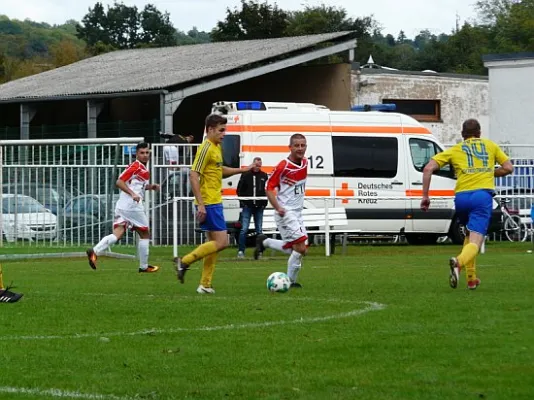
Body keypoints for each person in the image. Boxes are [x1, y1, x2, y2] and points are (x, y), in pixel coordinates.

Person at [420, 119, 514, 290]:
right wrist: (489, 172)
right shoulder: (490, 146)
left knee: (469, 235)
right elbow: (508, 168)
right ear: (479, 133)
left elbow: (427, 169)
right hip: (481, 197)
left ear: (463, 135)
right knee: (476, 241)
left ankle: (471, 279)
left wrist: (425, 196)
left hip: (461, 198)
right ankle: (459, 262)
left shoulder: (455, 149)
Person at [176, 114, 252, 294]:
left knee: (213, 243)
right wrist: (201, 204)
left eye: (225, 130)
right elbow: (194, 174)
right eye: (221, 130)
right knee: (222, 241)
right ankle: (184, 261)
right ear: (210, 130)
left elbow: (220, 171)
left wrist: (242, 170)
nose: (224, 134)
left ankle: (205, 284)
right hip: (208, 202)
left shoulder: (216, 148)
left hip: (214, 201)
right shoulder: (205, 148)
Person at [86, 142, 161, 273]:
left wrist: (151, 186)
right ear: (136, 154)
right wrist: (132, 194)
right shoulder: (136, 167)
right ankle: (144, 266)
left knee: (117, 234)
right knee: (145, 234)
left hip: (122, 205)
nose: (145, 155)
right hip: (132, 207)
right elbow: (119, 182)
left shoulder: (142, 169)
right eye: (142, 153)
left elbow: (136, 185)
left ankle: (95, 251)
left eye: (147, 152)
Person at [254, 133, 308, 289]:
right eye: (296, 145)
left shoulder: (305, 162)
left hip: (297, 213)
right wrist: (278, 207)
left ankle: (265, 242)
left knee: (297, 248)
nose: (300, 148)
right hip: (286, 212)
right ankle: (290, 282)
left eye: (302, 145)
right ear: (290, 147)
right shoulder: (283, 166)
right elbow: (268, 188)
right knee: (300, 248)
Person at [236, 156, 268, 258]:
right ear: (253, 164)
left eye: (260, 165)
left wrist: (264, 203)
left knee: (259, 230)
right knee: (244, 229)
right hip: (247, 206)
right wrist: (243, 202)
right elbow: (239, 189)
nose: (258, 167)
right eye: (256, 165)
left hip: (259, 206)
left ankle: (259, 252)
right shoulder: (246, 175)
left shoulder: (264, 175)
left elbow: (267, 190)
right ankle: (241, 251)